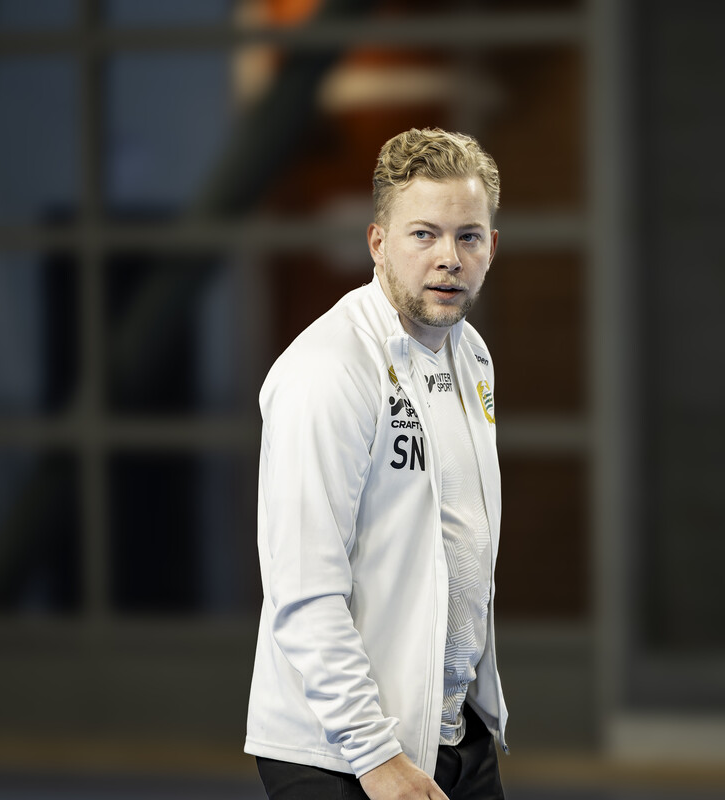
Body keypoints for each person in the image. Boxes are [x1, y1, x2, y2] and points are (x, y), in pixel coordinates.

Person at [244, 128, 509, 800]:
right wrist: (374, 755)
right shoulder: (327, 370)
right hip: (343, 755)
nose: (448, 258)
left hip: (452, 735)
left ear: (491, 247)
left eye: (468, 237)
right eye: (424, 234)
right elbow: (303, 589)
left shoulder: (472, 355)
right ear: (377, 243)